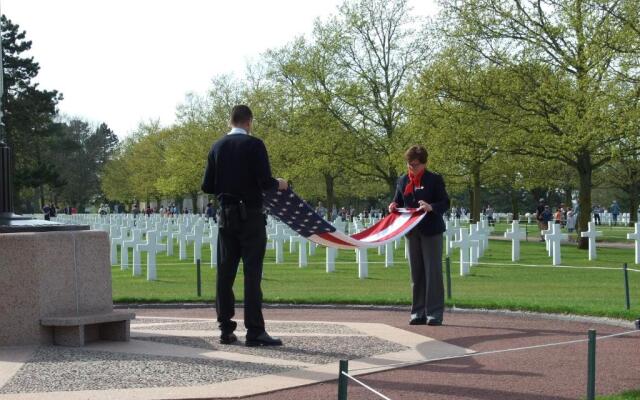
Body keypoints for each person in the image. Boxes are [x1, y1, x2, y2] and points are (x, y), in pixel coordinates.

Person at [201, 104, 288, 347]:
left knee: (225, 273)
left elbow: (207, 186)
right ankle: (255, 331)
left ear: (231, 121)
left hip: (226, 215)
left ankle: (225, 328)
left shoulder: (217, 147)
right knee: (252, 275)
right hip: (250, 215)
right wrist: (279, 183)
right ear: (249, 122)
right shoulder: (254, 144)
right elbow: (265, 181)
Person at [388, 145, 450, 326]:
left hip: (431, 230)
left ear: (424, 163)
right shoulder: (402, 180)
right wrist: (392, 205)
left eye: (415, 165)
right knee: (416, 273)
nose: (411, 168)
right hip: (412, 231)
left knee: (433, 273)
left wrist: (431, 207)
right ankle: (418, 312)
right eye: (409, 164)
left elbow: (445, 202)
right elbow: (398, 200)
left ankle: (434, 313)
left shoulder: (434, 179)